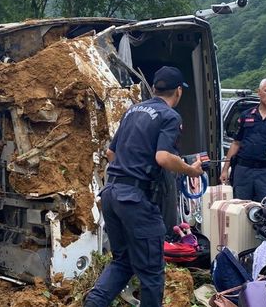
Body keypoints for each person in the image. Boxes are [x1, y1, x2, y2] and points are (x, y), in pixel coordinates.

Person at [85, 66, 203, 307]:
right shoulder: (170, 116)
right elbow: (163, 157)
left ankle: (93, 303)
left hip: (111, 194)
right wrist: (192, 170)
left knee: (122, 262)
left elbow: (110, 153)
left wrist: (129, 171)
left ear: (155, 88)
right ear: (178, 91)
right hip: (135, 201)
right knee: (151, 273)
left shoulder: (133, 111)